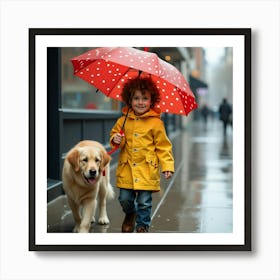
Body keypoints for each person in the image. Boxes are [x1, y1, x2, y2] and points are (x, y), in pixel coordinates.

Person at [110, 76, 175, 233]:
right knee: (124, 199)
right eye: (136, 98)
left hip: (146, 169)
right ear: (129, 100)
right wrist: (116, 138)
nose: (140, 102)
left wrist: (167, 165)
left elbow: (163, 146)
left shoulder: (156, 123)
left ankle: (142, 226)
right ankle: (130, 214)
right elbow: (115, 138)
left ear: (151, 101)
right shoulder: (123, 120)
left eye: (145, 98)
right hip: (127, 169)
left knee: (144, 202)